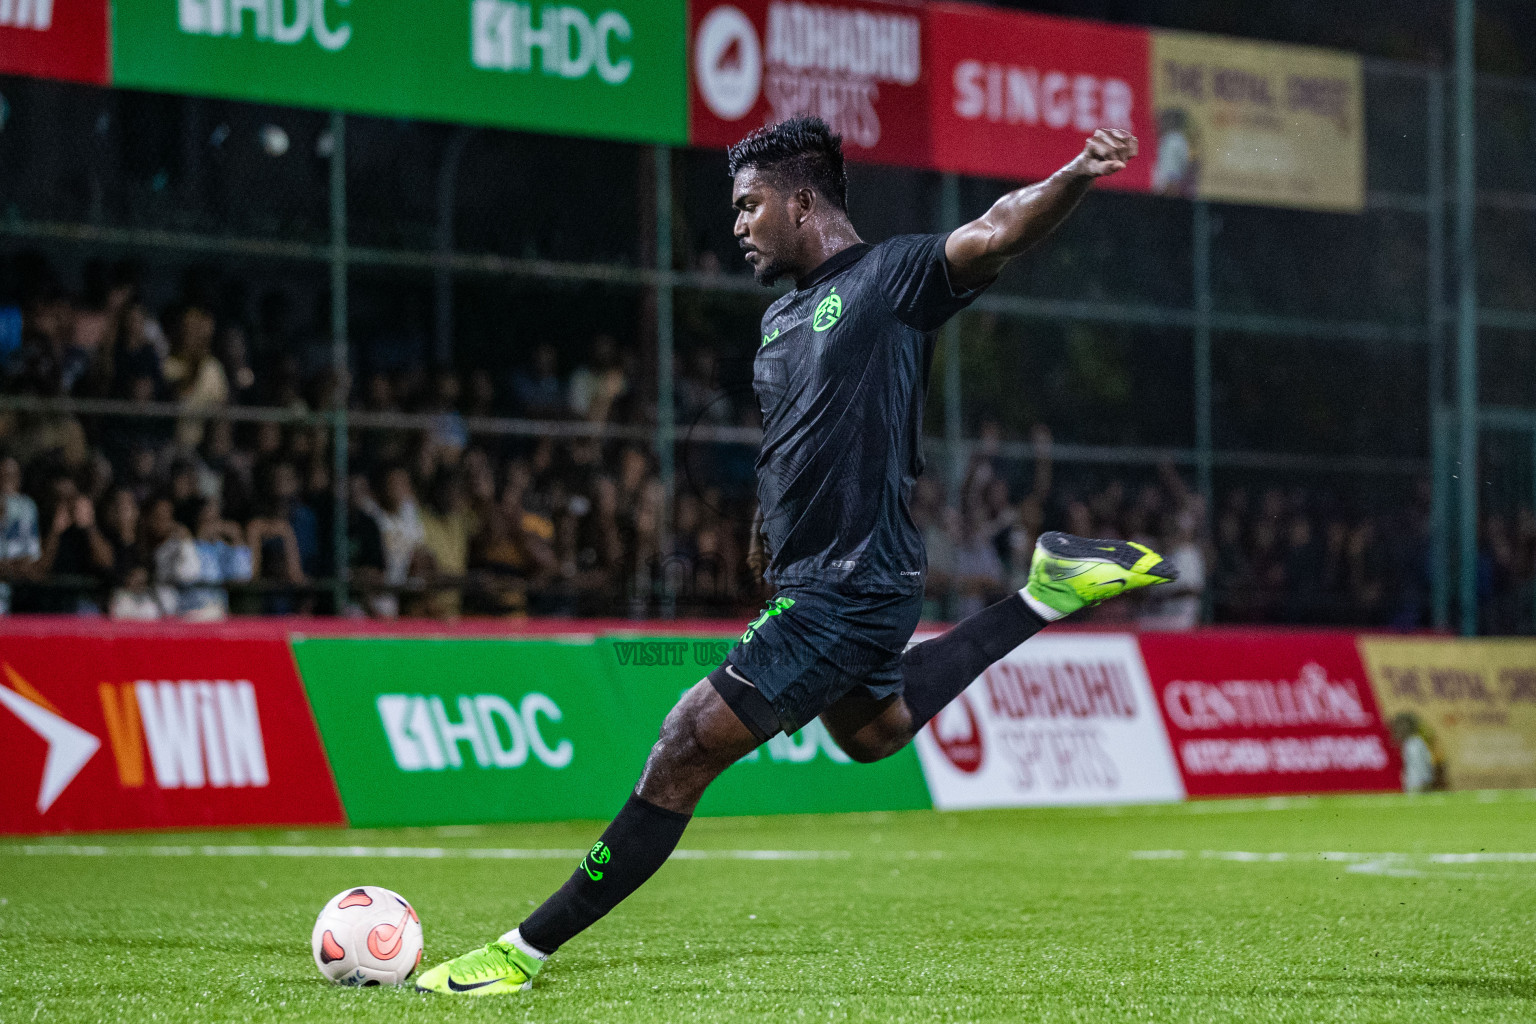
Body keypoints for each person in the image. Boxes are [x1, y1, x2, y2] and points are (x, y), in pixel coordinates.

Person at [418, 116, 1175, 996]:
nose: (737, 226)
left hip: (853, 585)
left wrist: (1078, 172)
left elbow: (997, 226)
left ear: (802, 199)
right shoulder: (779, 320)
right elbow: (791, 442)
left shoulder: (893, 279)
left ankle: (519, 952)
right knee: (875, 734)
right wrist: (763, 530)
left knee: (684, 743)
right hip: (821, 578)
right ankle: (1044, 596)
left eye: (749, 206)